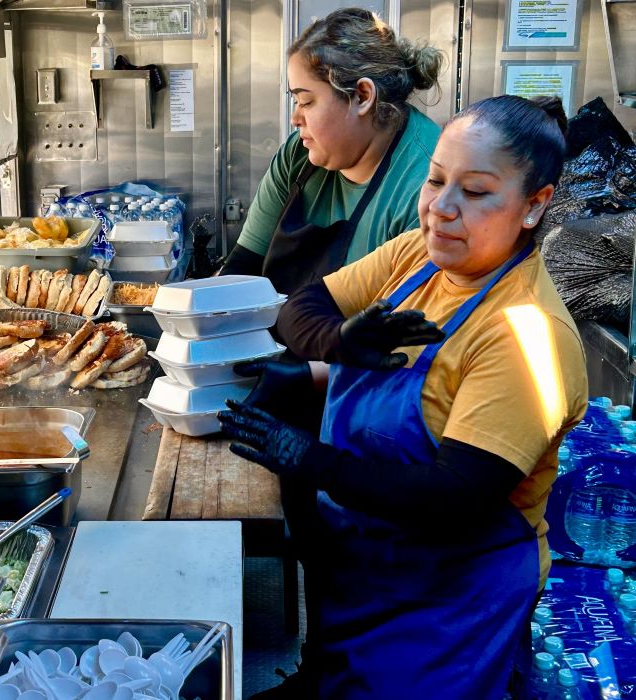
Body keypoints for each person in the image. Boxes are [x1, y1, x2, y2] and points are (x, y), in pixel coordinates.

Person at [219, 95, 588, 699]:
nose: (441, 209)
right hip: (364, 578)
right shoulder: (421, 258)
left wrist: (309, 459)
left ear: (533, 206)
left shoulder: (527, 335)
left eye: (475, 191)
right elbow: (299, 307)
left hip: (445, 612)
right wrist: (339, 341)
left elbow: (454, 499)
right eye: (435, 180)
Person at [220, 8, 444, 297]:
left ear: (362, 96)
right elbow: (242, 268)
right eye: (295, 100)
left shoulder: (426, 184)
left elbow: (402, 323)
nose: (295, 118)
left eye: (306, 101)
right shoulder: (298, 154)